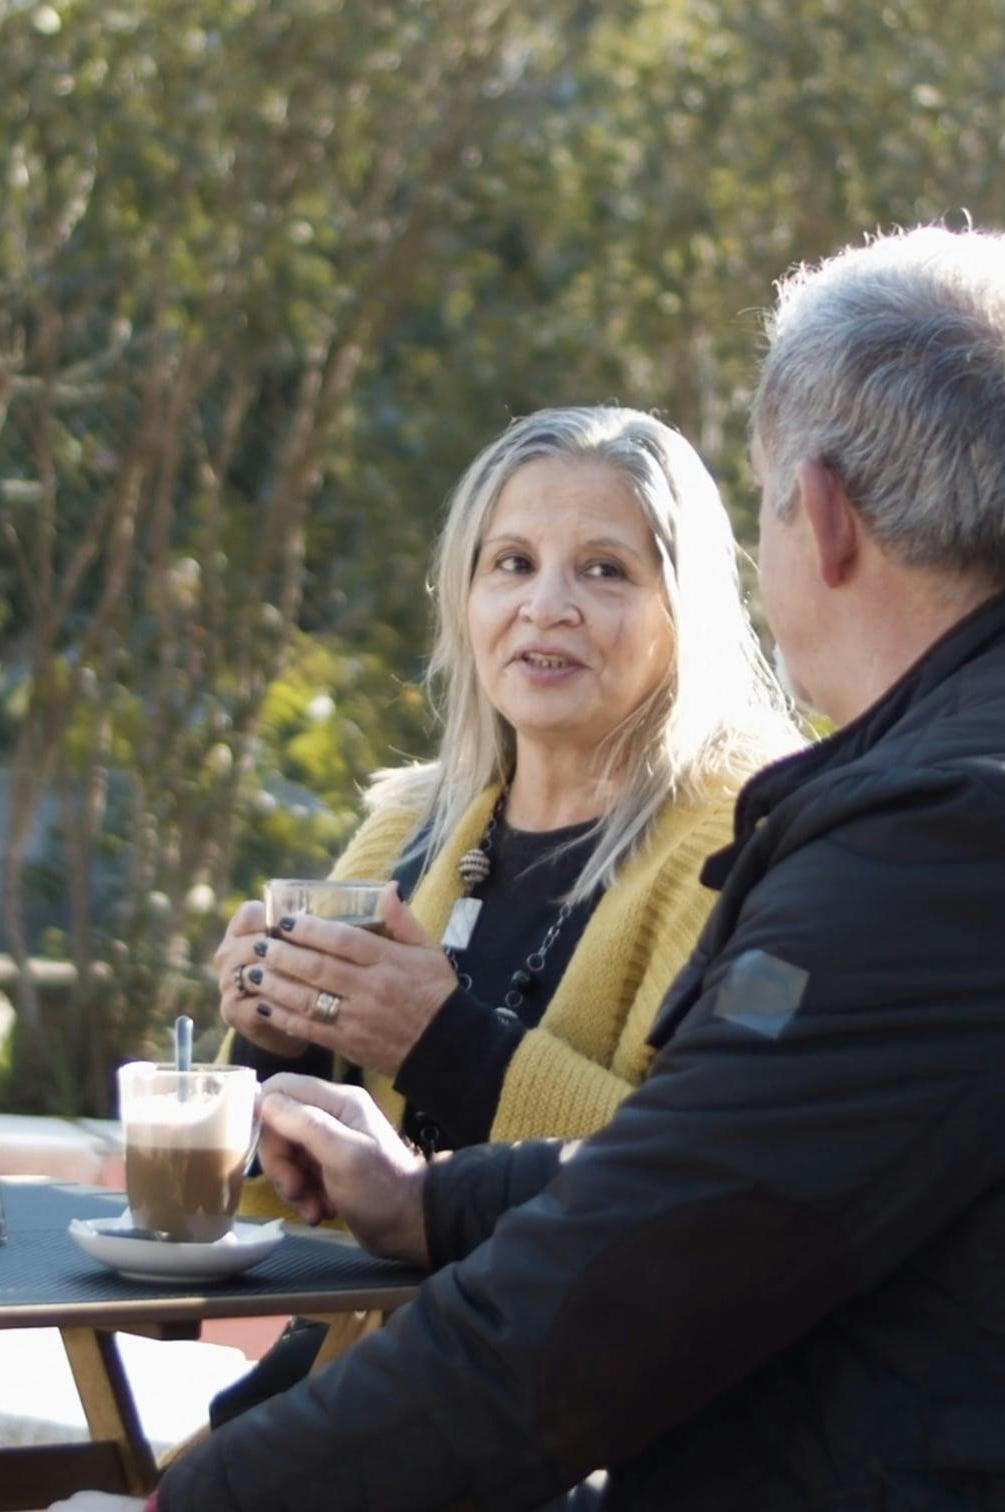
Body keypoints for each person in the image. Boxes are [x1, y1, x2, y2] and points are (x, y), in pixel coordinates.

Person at [83, 225, 1005, 1512]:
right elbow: (716, 1178)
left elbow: (606, 1309)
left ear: (822, 515)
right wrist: (429, 1201)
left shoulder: (972, 832)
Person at [203, 405, 801, 1423]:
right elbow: (259, 1197)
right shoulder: (412, 826)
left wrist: (443, 1041)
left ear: (684, 606)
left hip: (574, 1418)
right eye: (511, 563)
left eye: (604, 570)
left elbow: (698, 1179)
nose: (547, 606)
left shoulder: (743, 832)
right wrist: (273, 1043)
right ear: (466, 600)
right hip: (360, 1383)